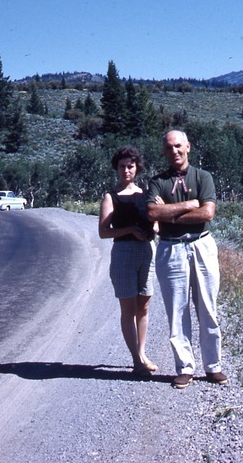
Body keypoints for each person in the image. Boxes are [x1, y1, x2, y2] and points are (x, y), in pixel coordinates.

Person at [146, 130, 227, 389]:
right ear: (164, 151)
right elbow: (151, 212)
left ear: (188, 147)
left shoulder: (203, 177)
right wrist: (190, 204)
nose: (175, 151)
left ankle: (213, 366)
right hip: (170, 248)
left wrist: (167, 213)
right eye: (169, 147)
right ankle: (184, 367)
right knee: (177, 309)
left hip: (201, 244)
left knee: (207, 306)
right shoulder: (157, 182)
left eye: (178, 146)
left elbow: (208, 213)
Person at [98, 145, 158, 377]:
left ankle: (142, 354)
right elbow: (104, 232)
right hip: (123, 253)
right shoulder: (110, 197)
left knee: (144, 305)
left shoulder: (146, 194)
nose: (126, 170)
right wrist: (130, 230)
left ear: (137, 168)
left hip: (146, 251)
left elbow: (156, 222)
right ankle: (136, 360)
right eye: (122, 166)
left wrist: (156, 221)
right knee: (128, 307)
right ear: (116, 168)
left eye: (130, 166)